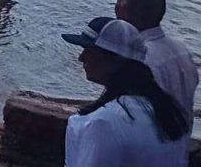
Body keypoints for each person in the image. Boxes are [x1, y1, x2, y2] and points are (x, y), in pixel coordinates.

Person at [61, 16, 189, 166]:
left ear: (115, 60)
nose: (81, 58)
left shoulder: (103, 123)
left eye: (89, 50)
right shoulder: (169, 113)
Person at [115, 0, 199, 125]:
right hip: (179, 137)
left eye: (118, 1)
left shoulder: (139, 57)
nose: (115, 7)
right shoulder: (181, 49)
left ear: (130, 11)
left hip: (152, 138)